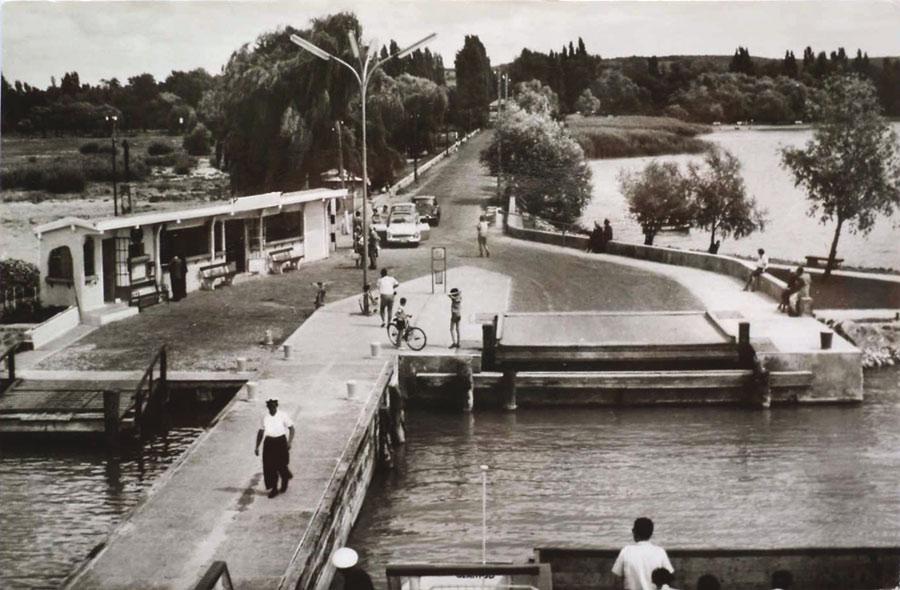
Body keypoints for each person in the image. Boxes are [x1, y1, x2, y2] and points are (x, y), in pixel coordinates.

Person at [611, 517, 674, 590]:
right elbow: (669, 578)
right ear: (651, 533)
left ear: (634, 532)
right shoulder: (660, 552)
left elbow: (616, 579)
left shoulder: (626, 551)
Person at [254, 399, 295, 498]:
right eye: (270, 407)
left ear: (276, 406)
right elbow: (261, 432)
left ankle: (285, 480)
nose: (272, 408)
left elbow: (292, 429)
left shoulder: (283, 415)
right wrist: (257, 446)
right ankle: (274, 488)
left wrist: (289, 442)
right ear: (267, 407)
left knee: (282, 465)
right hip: (269, 442)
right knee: (269, 467)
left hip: (281, 442)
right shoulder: (265, 417)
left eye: (273, 406)